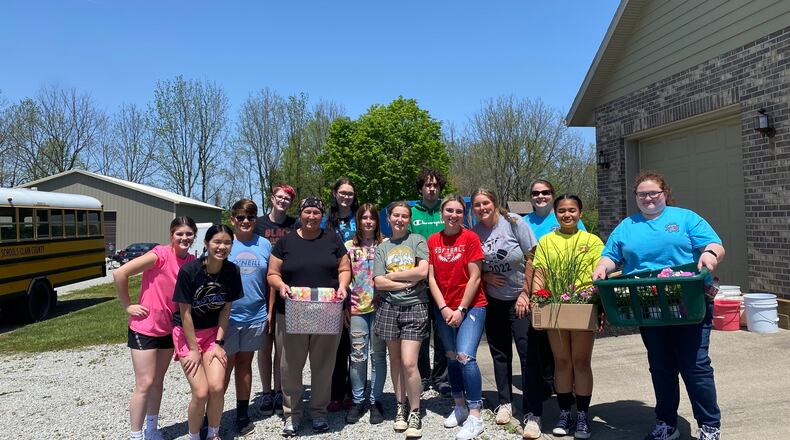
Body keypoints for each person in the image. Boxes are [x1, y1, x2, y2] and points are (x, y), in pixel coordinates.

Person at [592, 171, 725, 440]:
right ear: (636, 198)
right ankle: (666, 423)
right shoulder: (627, 226)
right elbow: (610, 256)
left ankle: (709, 425)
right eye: (642, 194)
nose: (648, 198)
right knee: (661, 366)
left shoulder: (685, 218)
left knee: (695, 365)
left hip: (688, 301)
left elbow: (715, 245)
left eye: (654, 193)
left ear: (665, 193)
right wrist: (602, 267)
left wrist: (710, 255)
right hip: (649, 304)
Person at [267, 197, 351, 437]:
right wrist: (281, 285)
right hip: (292, 312)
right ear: (301, 214)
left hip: (327, 311)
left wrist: (343, 286)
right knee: (290, 366)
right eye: (307, 212)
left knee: (323, 365)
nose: (312, 217)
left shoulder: (333, 239)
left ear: (321, 215)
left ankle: (318, 413)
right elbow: (272, 273)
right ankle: (291, 415)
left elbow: (344, 268)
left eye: (316, 212)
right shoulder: (286, 241)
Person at [470, 188, 544, 439]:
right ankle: (505, 402)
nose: (482, 208)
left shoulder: (514, 223)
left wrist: (526, 293)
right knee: (499, 353)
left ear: (495, 202)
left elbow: (533, 257)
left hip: (520, 299)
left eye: (486, 203)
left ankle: (533, 413)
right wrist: (485, 275)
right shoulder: (474, 232)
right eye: (477, 205)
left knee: (527, 355)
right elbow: (473, 265)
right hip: (493, 301)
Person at [115, 217, 197, 440]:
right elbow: (120, 273)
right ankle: (135, 434)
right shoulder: (159, 255)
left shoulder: (191, 261)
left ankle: (152, 428)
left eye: (189, 234)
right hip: (145, 328)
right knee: (145, 383)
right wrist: (128, 305)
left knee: (158, 381)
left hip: (169, 329)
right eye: (180, 233)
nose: (184, 238)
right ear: (171, 235)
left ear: (194, 236)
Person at [531, 195, 604, 440]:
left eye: (572, 210)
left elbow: (600, 274)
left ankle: (582, 414)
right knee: (562, 362)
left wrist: (599, 305)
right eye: (562, 211)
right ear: (555, 213)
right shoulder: (547, 241)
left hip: (583, 306)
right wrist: (536, 300)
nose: (567, 215)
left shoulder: (591, 240)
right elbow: (539, 272)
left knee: (581, 362)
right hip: (556, 307)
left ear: (580, 213)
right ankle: (564, 412)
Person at [172, 224, 242, 440]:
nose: (222, 247)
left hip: (213, 333)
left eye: (227, 242)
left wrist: (219, 343)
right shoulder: (189, 271)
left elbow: (226, 309)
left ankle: (213, 433)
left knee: (216, 387)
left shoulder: (231, 271)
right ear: (206, 243)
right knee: (200, 392)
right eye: (217, 242)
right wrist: (194, 349)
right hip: (187, 332)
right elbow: (185, 314)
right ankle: (194, 435)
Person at [426, 195, 487, 440]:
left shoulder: (470, 238)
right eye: (449, 210)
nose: (454, 215)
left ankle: (475, 415)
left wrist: (461, 309)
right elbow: (431, 278)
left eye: (459, 211)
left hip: (471, 307)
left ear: (464, 214)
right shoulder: (433, 240)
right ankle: (459, 406)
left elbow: (475, 277)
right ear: (442, 213)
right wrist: (443, 308)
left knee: (465, 356)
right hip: (444, 308)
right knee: (451, 357)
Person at [373, 201, 430, 438]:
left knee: (409, 362)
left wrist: (393, 277)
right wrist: (408, 280)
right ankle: (400, 406)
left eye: (404, 216)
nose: (399, 219)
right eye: (395, 215)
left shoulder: (417, 240)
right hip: (388, 308)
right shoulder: (382, 248)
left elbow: (422, 272)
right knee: (394, 360)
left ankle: (415, 410)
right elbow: (378, 281)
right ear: (388, 218)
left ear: (409, 219)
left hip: (415, 306)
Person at [224, 199, 272, 435]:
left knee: (245, 365)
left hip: (255, 314)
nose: (245, 221)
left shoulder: (264, 244)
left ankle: (242, 415)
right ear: (232, 219)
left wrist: (270, 310)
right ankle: (212, 416)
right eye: (240, 217)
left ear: (256, 220)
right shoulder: (224, 242)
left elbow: (270, 280)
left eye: (250, 217)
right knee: (222, 368)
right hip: (227, 318)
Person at [344, 203, 388, 425]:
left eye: (372, 218)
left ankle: (375, 401)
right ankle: (358, 400)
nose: (368, 221)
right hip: (357, 308)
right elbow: (343, 277)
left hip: (382, 307)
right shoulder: (348, 247)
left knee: (378, 355)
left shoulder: (386, 245)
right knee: (358, 355)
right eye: (364, 217)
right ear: (358, 221)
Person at [255, 183, 296, 416]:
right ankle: (266, 392)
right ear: (272, 198)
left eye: (287, 199)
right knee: (264, 344)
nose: (282, 201)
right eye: (279, 197)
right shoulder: (259, 224)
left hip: (283, 288)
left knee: (282, 346)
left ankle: (280, 390)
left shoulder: (294, 225)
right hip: (260, 287)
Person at [409, 168, 450, 395]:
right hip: (419, 283)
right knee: (421, 332)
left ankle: (442, 377)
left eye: (435, 185)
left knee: (443, 333)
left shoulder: (447, 211)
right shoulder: (412, 212)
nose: (431, 188)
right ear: (421, 188)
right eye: (427, 185)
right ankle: (423, 376)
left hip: (445, 282)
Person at [322, 178, 358, 412]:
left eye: (350, 193)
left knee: (355, 342)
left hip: (359, 285)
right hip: (332, 284)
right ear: (335, 194)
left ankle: (354, 391)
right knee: (335, 344)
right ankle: (334, 392)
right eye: (342, 192)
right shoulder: (325, 220)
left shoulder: (361, 216)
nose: (346, 196)